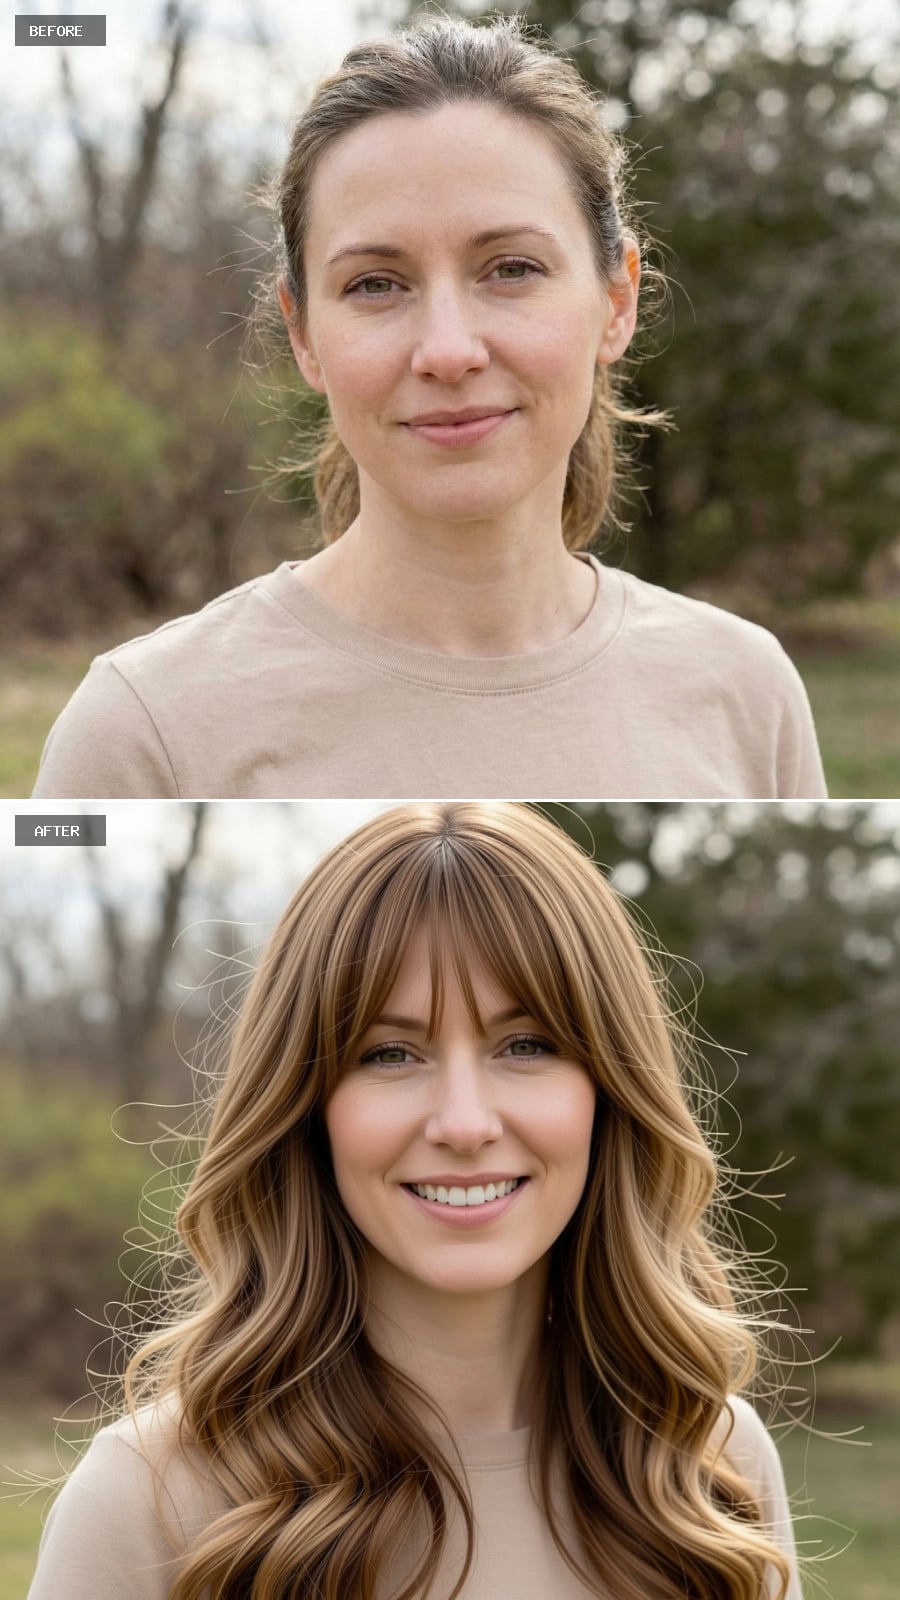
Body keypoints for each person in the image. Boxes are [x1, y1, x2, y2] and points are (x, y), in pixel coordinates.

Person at [32, 14, 825, 801]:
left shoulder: (747, 693)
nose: (448, 351)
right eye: (376, 284)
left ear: (615, 300)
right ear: (304, 334)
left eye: (511, 268)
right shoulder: (145, 735)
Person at [28, 802, 804, 1600]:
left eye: (527, 1045)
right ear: (307, 1105)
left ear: (610, 1089)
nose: (465, 1125)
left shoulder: (709, 1466)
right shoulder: (149, 1503)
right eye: (390, 1053)